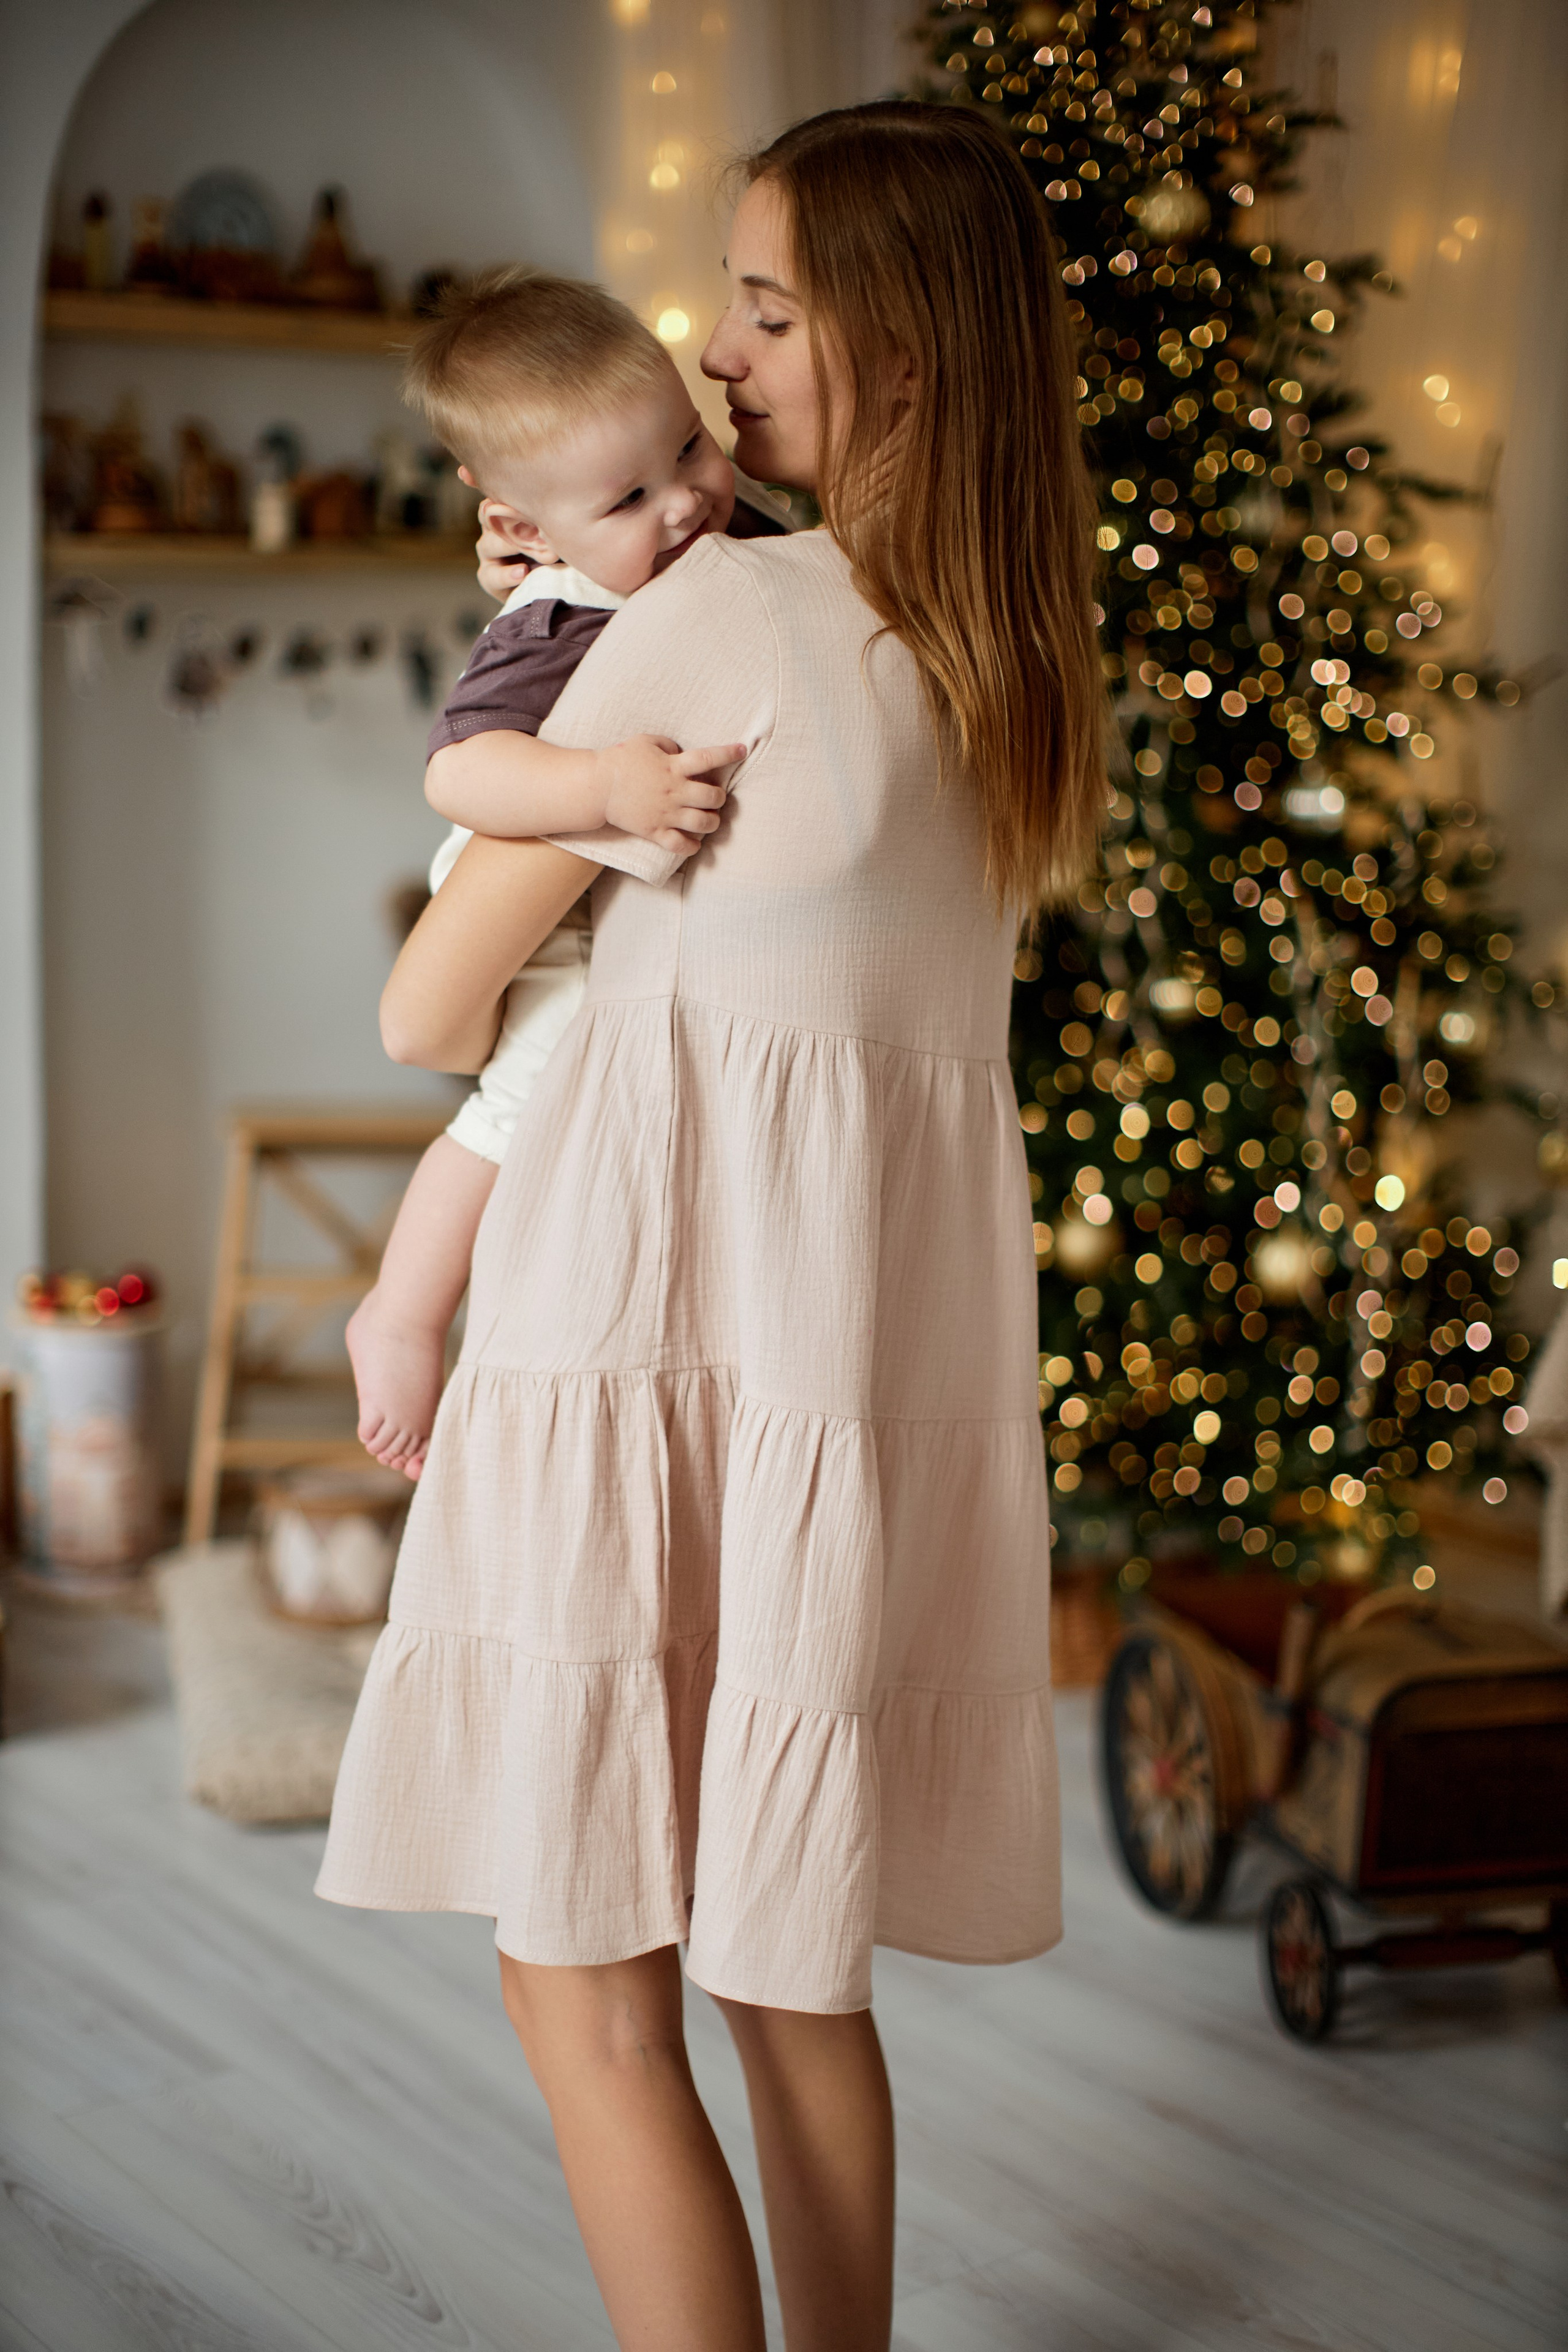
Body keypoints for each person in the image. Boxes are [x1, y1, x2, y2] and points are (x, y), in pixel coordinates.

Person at [317, 102, 1104, 2351]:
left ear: (905, 355)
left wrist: (572, 635)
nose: (719, 357)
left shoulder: (725, 618)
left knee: (584, 1987)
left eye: (766, 310)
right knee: (791, 1967)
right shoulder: (1005, 663)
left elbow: (426, 1001)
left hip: (634, 1345)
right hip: (838, 1389)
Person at [348, 268, 786, 1477]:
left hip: (595, 873)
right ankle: (400, 1308)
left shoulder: (712, 539)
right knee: (523, 1095)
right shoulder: (554, 616)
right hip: (532, 864)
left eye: (690, 448)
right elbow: (460, 771)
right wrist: (598, 789)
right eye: (630, 497)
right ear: (524, 530)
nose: (689, 502)